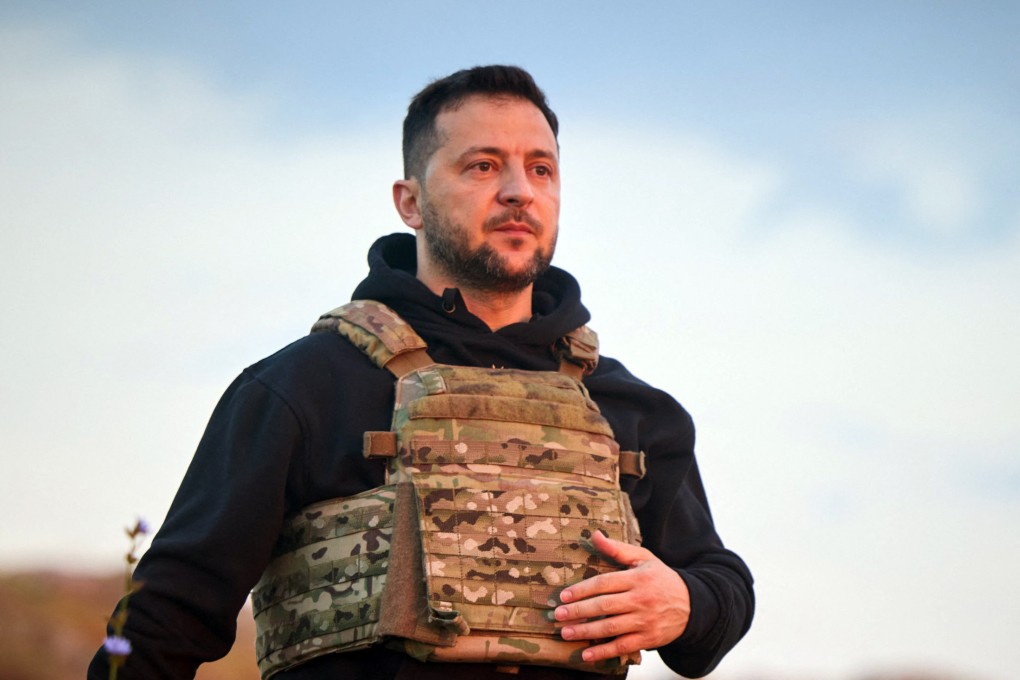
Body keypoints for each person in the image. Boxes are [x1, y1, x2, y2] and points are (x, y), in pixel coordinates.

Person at [88, 65, 753, 680]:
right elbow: (165, 621)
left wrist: (688, 604)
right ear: (410, 202)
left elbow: (720, 584)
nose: (520, 191)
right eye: (483, 165)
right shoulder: (305, 387)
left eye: (541, 169)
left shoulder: (628, 407)